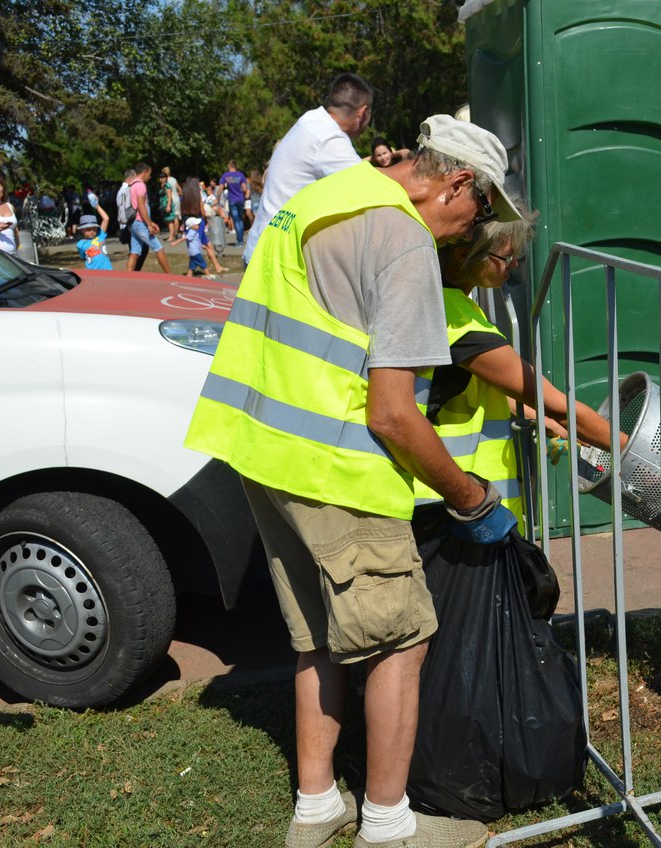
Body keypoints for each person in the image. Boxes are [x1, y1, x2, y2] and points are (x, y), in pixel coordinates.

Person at [184, 114, 521, 848]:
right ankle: (390, 826)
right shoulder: (400, 238)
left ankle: (315, 807)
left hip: (263, 450)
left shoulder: (329, 194)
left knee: (318, 637)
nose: (474, 230)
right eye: (482, 210)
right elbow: (395, 416)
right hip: (333, 468)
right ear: (458, 183)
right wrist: (472, 499)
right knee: (400, 637)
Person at [413, 205, 624, 528]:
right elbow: (560, 406)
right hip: (454, 504)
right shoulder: (460, 324)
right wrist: (639, 451)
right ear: (464, 255)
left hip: (448, 497)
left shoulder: (441, 299)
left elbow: (489, 388)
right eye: (505, 257)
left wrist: (542, 417)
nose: (513, 265)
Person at [241, 72, 373, 263]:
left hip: (262, 250)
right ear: (363, 113)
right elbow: (374, 188)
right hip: (274, 261)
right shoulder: (329, 138)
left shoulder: (311, 120)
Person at [127, 163, 173, 274]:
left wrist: (150, 222)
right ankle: (170, 275)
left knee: (135, 252)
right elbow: (141, 206)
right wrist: (149, 224)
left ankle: (127, 276)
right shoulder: (141, 185)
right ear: (145, 172)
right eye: (149, 174)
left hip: (133, 222)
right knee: (158, 247)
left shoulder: (132, 184)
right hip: (140, 222)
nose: (150, 177)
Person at [181, 177, 226, 274]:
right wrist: (206, 217)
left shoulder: (185, 196)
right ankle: (199, 272)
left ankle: (216, 266)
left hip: (188, 222)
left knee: (204, 245)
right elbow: (202, 210)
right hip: (198, 221)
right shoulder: (198, 195)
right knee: (199, 247)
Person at [219, 160, 250, 246]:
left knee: (236, 220)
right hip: (240, 199)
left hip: (232, 199)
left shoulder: (225, 175)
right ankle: (241, 239)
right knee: (240, 219)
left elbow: (220, 188)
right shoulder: (241, 175)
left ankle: (239, 240)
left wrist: (217, 198)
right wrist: (244, 193)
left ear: (229, 166)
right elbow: (244, 188)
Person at [160, 166, 182, 241]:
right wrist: (177, 194)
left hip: (169, 199)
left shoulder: (165, 182)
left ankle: (172, 234)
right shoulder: (173, 179)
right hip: (176, 198)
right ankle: (175, 233)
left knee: (170, 218)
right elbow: (180, 190)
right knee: (176, 217)